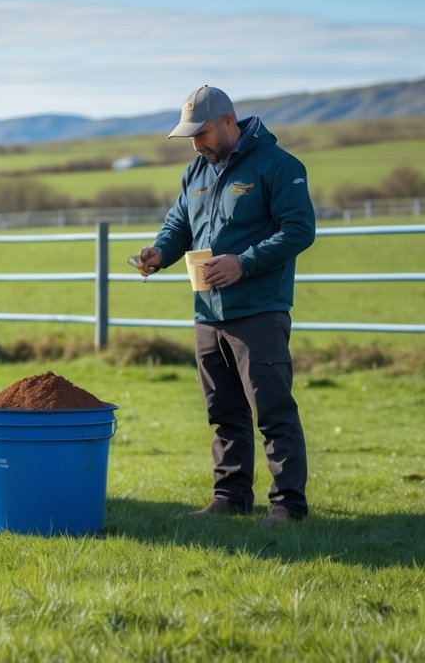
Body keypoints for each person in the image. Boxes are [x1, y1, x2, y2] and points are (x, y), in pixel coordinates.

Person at [135, 85, 316, 527]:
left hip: (258, 310)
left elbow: (299, 230)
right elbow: (179, 225)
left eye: (202, 133)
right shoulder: (196, 173)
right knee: (223, 413)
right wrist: (159, 253)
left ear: (229, 123)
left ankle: (288, 504)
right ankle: (231, 496)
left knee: (272, 410)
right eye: (190, 136)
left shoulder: (279, 165)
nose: (196, 143)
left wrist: (244, 264)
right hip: (207, 314)